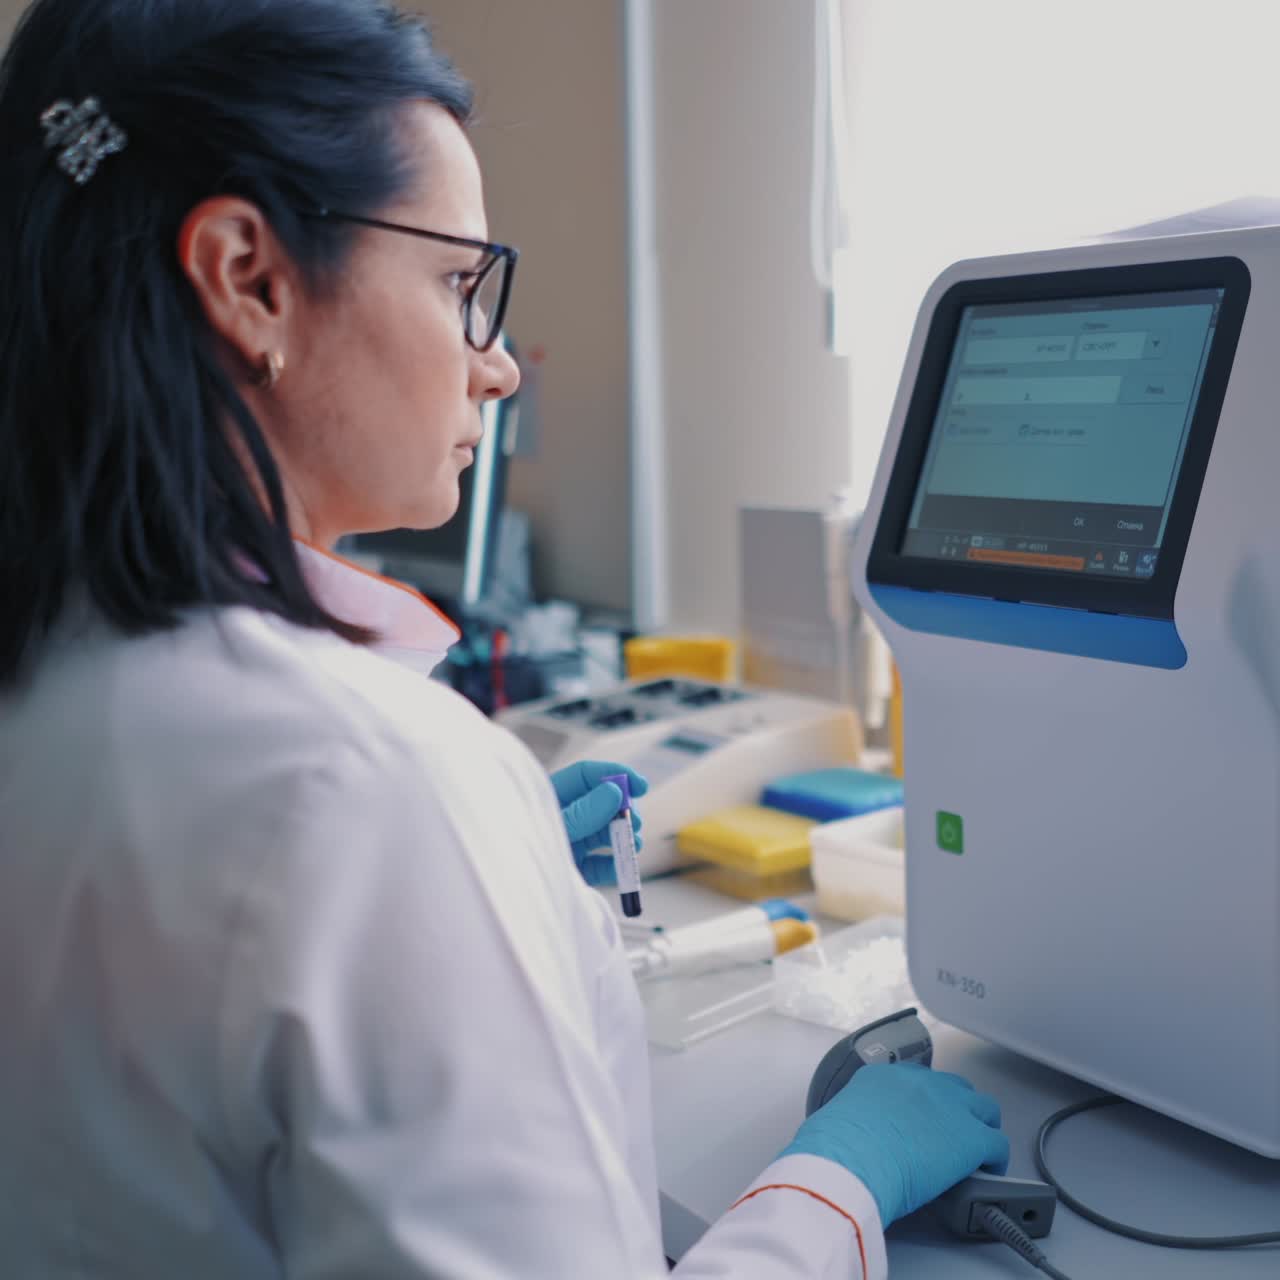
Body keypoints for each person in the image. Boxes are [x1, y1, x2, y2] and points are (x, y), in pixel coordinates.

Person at [0, 1, 1010, 1276]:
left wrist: (508, 877)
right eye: (455, 283)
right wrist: (832, 1188)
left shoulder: (59, 672)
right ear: (250, 278)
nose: (499, 366)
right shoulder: (367, 784)